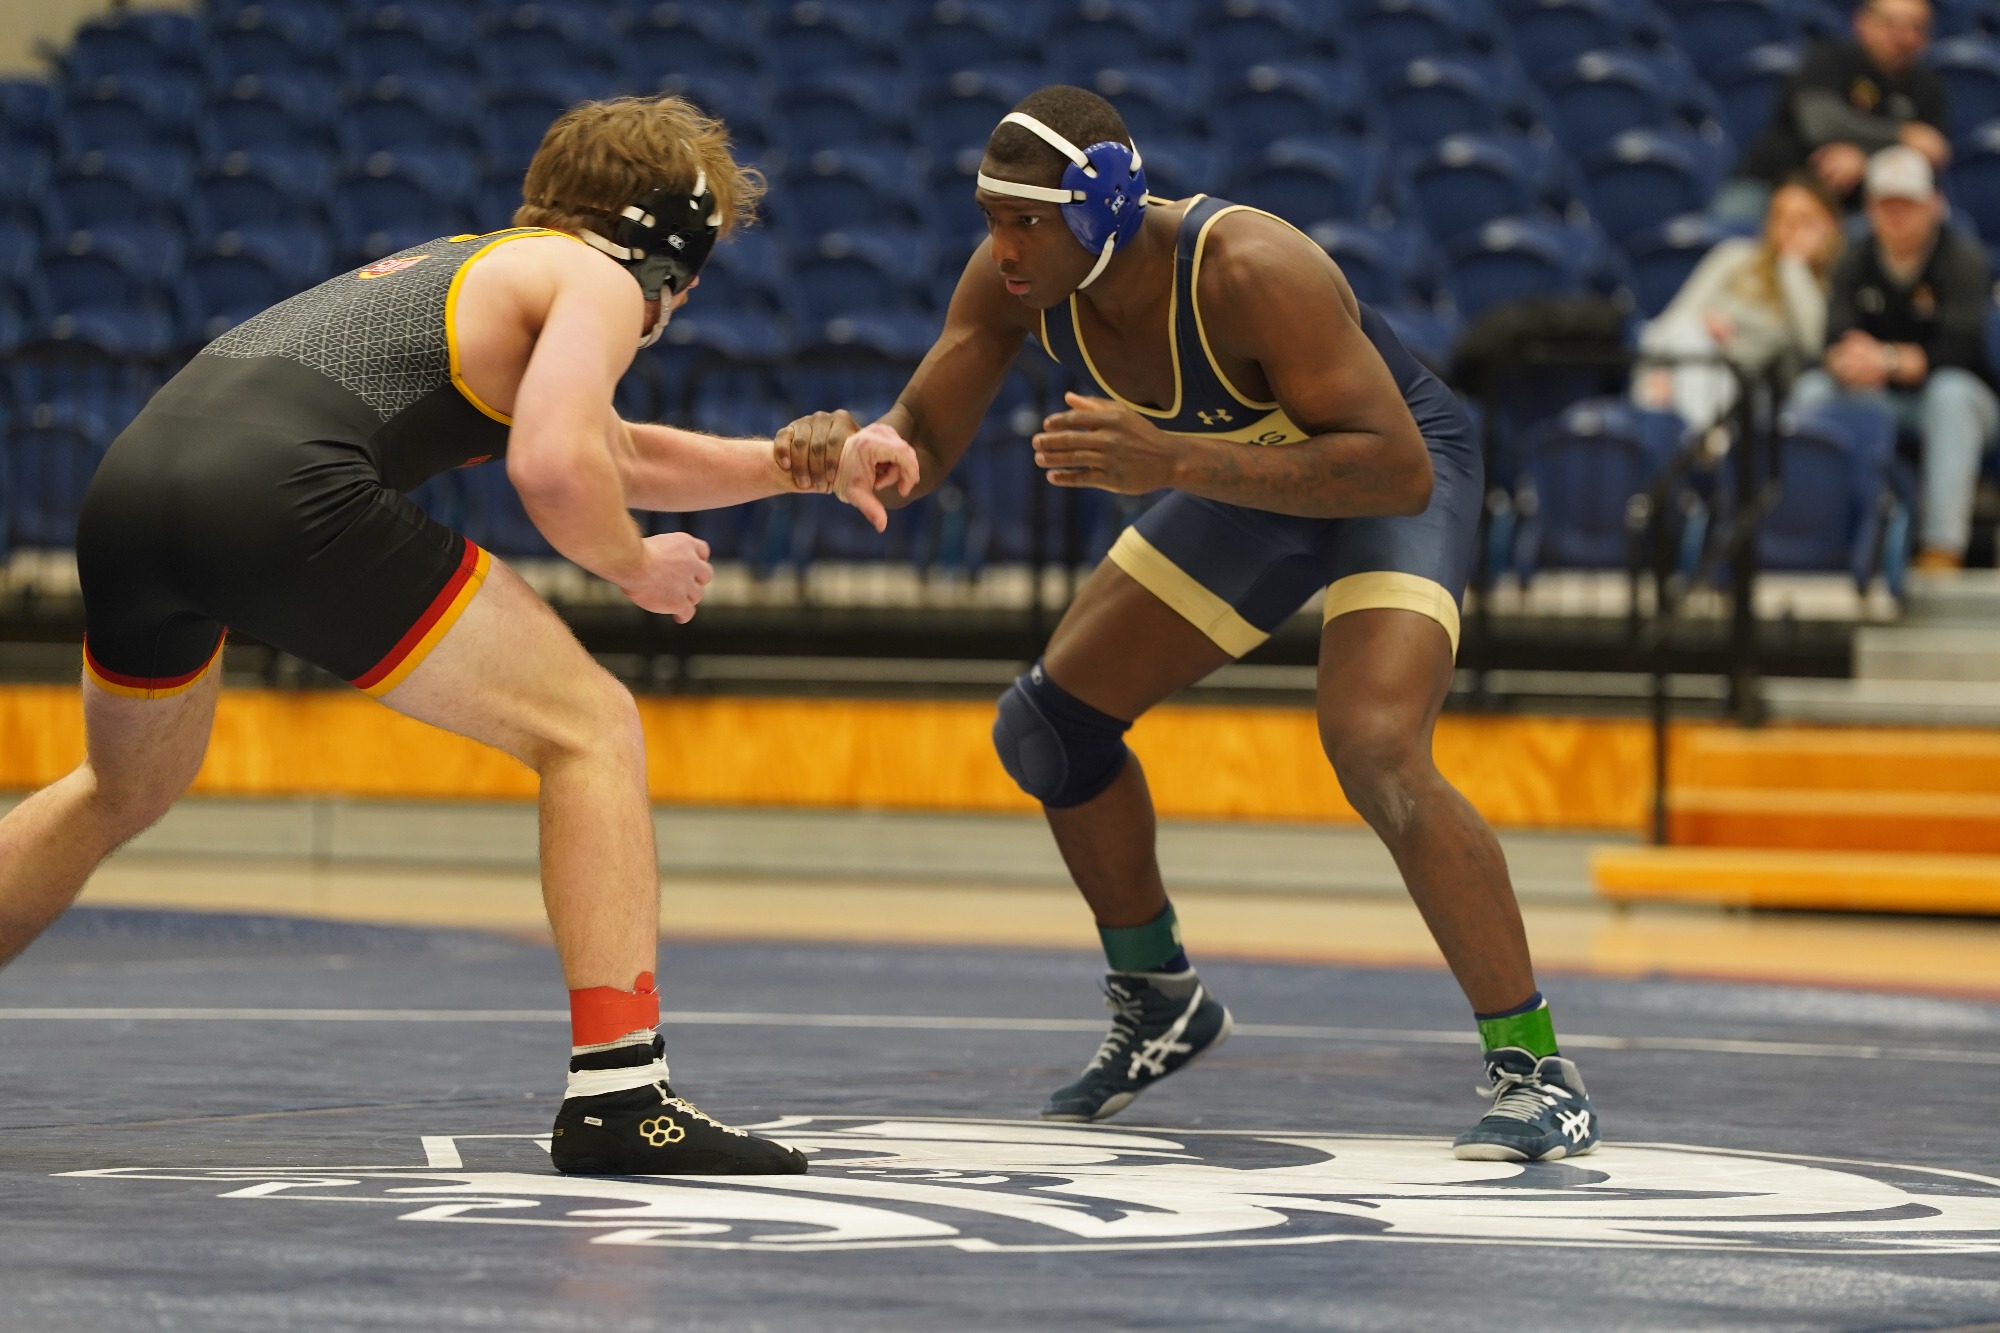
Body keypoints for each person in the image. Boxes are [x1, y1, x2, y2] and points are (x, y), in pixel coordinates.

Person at [0, 96, 918, 1174]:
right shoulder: (598, 279)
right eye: (697, 264)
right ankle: (623, 1095)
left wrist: (790, 464)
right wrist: (634, 563)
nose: (691, 293)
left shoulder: (482, 264)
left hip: (136, 485)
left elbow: (610, 449)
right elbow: (556, 470)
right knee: (590, 728)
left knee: (120, 788)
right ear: (665, 242)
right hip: (277, 494)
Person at [774, 87, 1601, 1162]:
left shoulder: (1250, 269)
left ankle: (1536, 1064)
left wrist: (1174, 462)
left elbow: (1391, 468)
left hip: (1391, 477)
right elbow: (925, 431)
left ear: (1106, 202)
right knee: (1047, 726)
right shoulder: (1015, 281)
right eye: (989, 216)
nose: (1002, 245)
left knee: (1375, 745)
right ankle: (1157, 996)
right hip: (1242, 477)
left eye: (1025, 220)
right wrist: (864, 441)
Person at [1788, 145, 1998, 571]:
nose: (1897, 215)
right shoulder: (1853, 257)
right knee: (1811, 390)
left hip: (1955, 404)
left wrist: (1890, 360)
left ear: (1935, 205)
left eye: (1909, 204)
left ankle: (1941, 548)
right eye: (1887, 204)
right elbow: (1833, 334)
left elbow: (1966, 350)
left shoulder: (1965, 260)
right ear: (1870, 207)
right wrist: (1844, 360)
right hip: (1874, 394)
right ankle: (1806, 534)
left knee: (1951, 394)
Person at [1637, 176, 1844, 430]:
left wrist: (1793, 267)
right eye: (1781, 217)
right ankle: (1700, 441)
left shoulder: (1833, 286)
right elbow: (1670, 323)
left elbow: (1812, 344)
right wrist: (1658, 373)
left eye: (1804, 221)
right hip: (1689, 362)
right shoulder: (1734, 256)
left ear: (1830, 227)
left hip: (1747, 391)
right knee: (1684, 335)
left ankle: (1695, 441)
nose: (1790, 229)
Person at [1715, 0, 1949, 224]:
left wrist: (1866, 161)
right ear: (1862, 22)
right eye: (1892, 24)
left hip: (1860, 207)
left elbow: (1932, 153)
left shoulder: (1928, 88)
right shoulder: (1829, 58)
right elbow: (1822, 124)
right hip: (1773, 183)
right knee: (1730, 231)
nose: (1904, 37)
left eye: (1917, 27)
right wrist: (1902, 136)